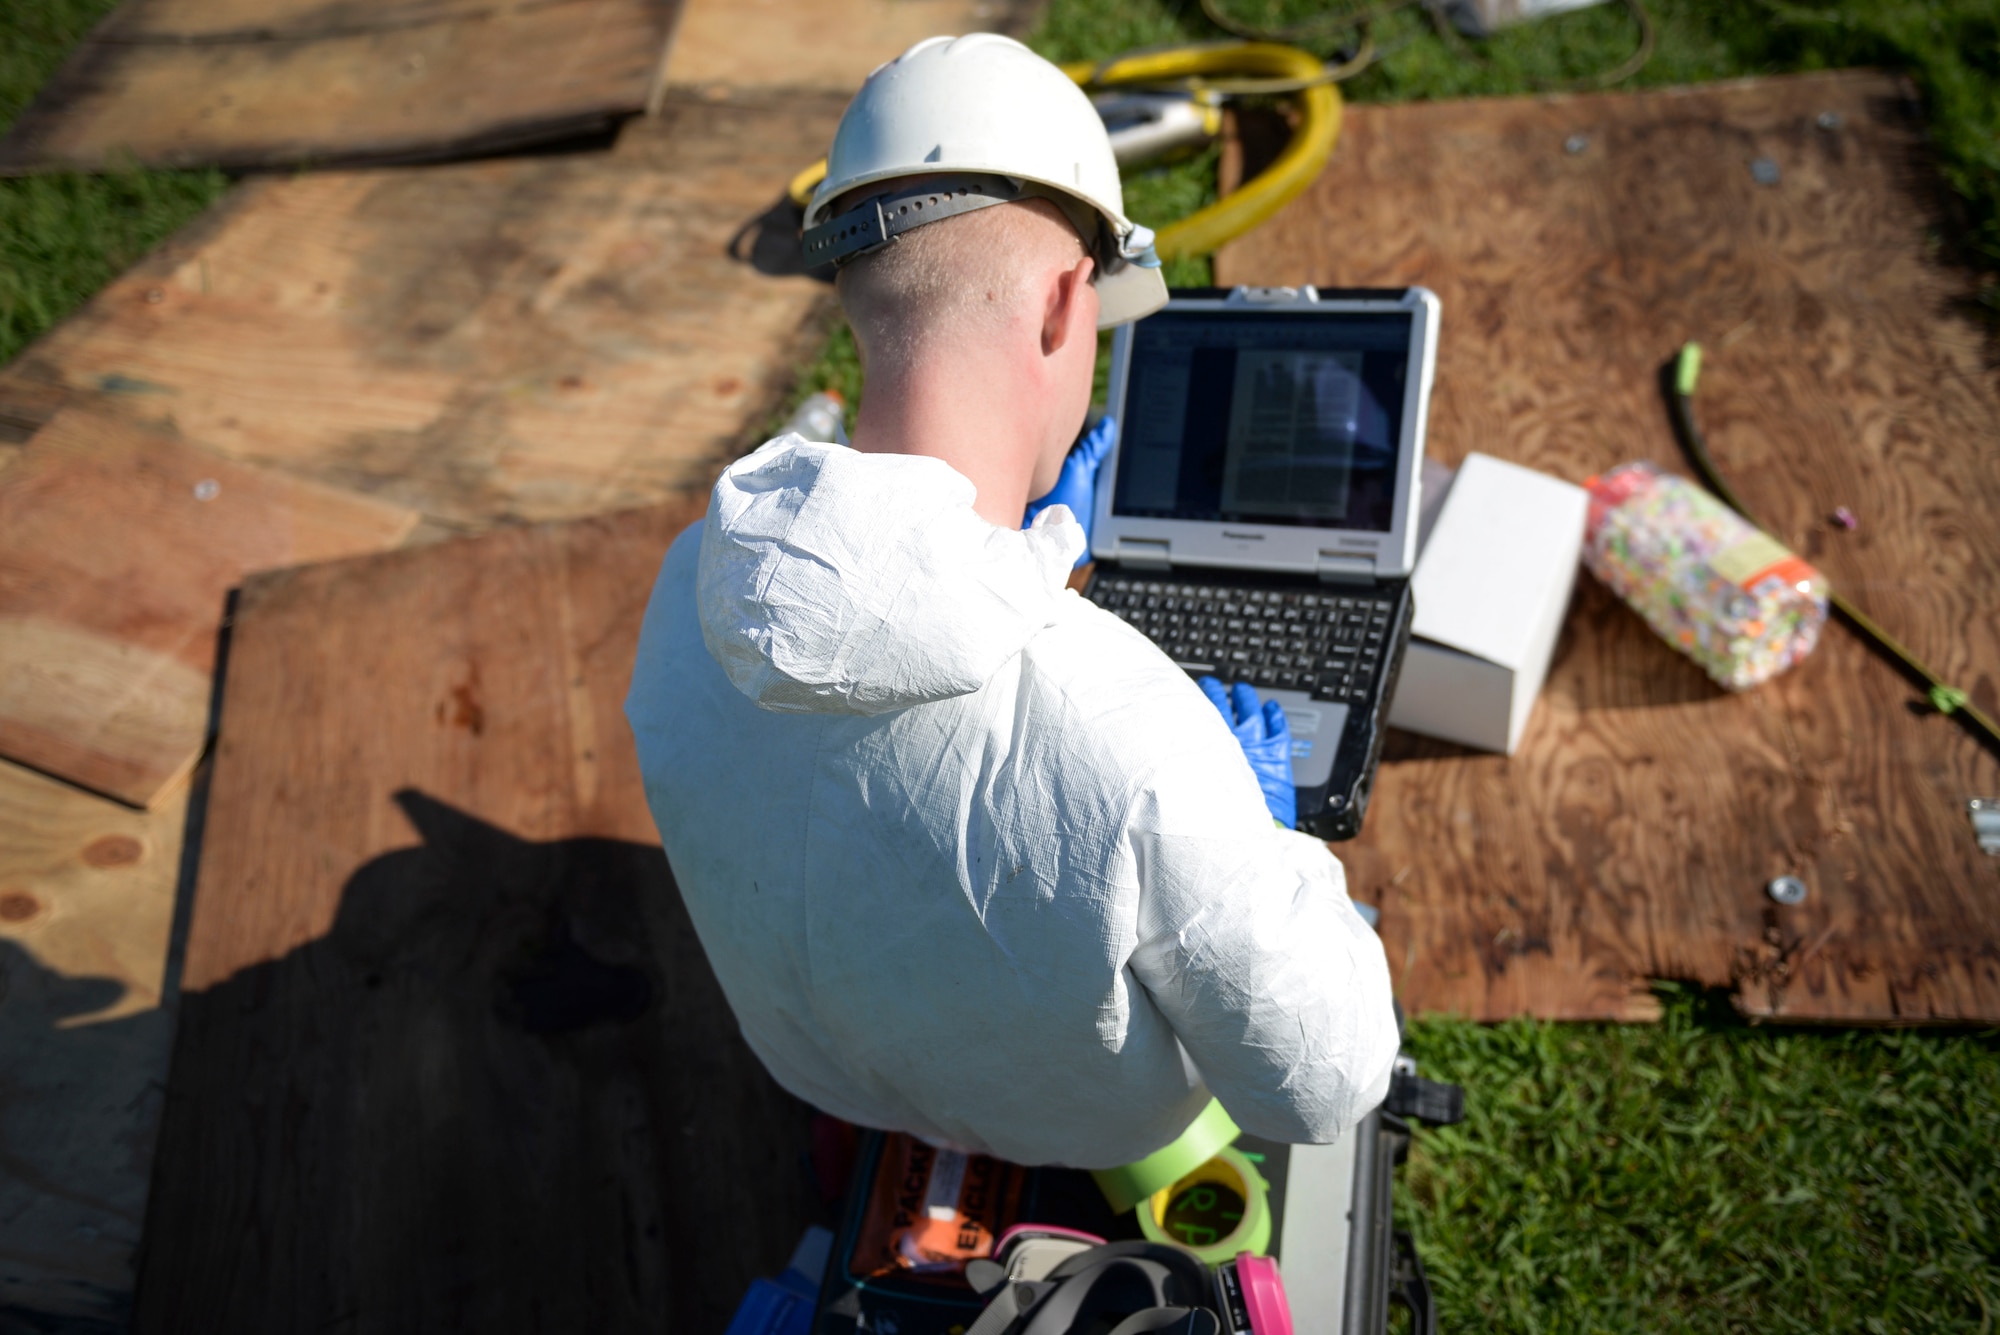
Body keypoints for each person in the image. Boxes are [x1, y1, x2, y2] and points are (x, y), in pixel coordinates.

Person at [625, 33, 1397, 1170]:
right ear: (1061, 301)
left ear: (855, 290)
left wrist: (1034, 562)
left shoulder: (687, 589)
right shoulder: (1132, 737)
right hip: (1087, 1130)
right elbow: (1322, 1087)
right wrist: (1265, 836)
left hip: (820, 1068)